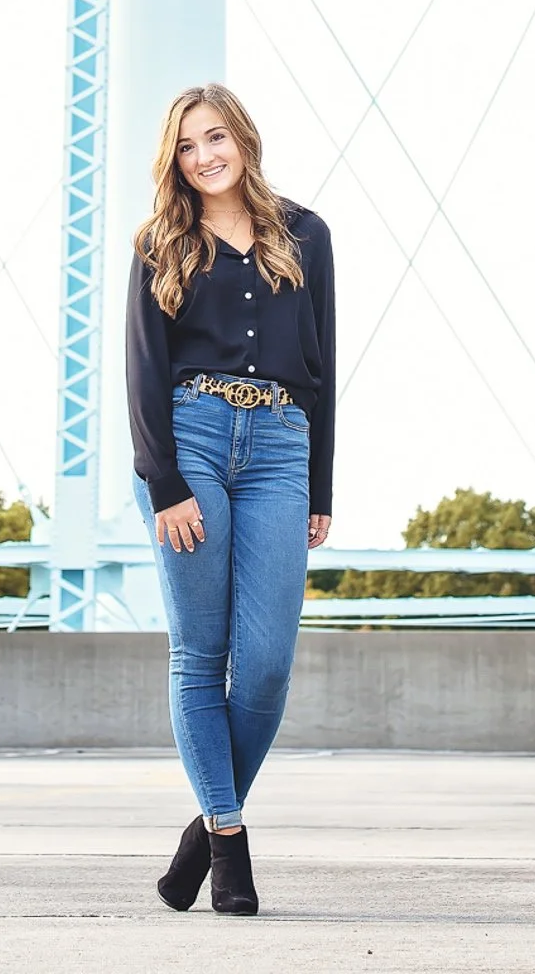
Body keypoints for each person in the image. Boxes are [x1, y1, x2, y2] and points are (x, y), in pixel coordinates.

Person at [126, 81, 336, 917]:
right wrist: (164, 480)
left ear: (243, 139)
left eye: (215, 138)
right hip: (193, 439)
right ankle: (230, 837)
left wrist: (322, 484)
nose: (204, 156)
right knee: (199, 655)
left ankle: (201, 836)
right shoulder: (159, 242)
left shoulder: (306, 234)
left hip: (283, 447)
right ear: (173, 160)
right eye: (186, 145)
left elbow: (324, 364)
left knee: (268, 665)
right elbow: (142, 371)